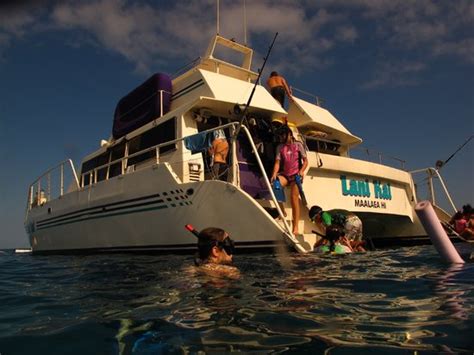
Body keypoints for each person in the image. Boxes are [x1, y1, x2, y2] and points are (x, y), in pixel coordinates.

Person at [271, 125, 308, 235]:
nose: (281, 138)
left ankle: (295, 226)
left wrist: (301, 171)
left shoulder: (298, 145)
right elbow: (277, 163)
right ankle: (282, 212)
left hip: (296, 175)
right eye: (280, 136)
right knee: (276, 185)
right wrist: (273, 174)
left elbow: (306, 162)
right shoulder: (280, 147)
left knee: (294, 198)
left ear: (290, 134)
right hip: (286, 175)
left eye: (283, 135)